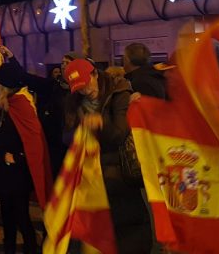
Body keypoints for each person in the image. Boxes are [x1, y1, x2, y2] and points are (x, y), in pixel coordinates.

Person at [63, 58, 152, 254]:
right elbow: (66, 137)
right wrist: (79, 131)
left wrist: (100, 123)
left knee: (127, 234)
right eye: (79, 88)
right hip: (91, 180)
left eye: (86, 85)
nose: (85, 91)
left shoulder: (119, 94)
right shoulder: (74, 103)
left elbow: (120, 135)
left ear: (95, 74)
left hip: (119, 177)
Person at [0, 63, 51, 254]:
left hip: (17, 173)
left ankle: (31, 248)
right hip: (2, 171)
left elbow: (34, 141)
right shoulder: (4, 103)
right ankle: (9, 249)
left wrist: (18, 157)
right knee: (7, 217)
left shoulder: (21, 104)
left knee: (21, 215)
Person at [0, 46, 74, 177]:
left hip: (75, 146)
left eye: (68, 63)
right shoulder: (52, 86)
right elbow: (26, 77)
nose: (64, 66)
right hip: (54, 145)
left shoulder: (83, 92)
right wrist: (11, 57)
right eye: (62, 63)